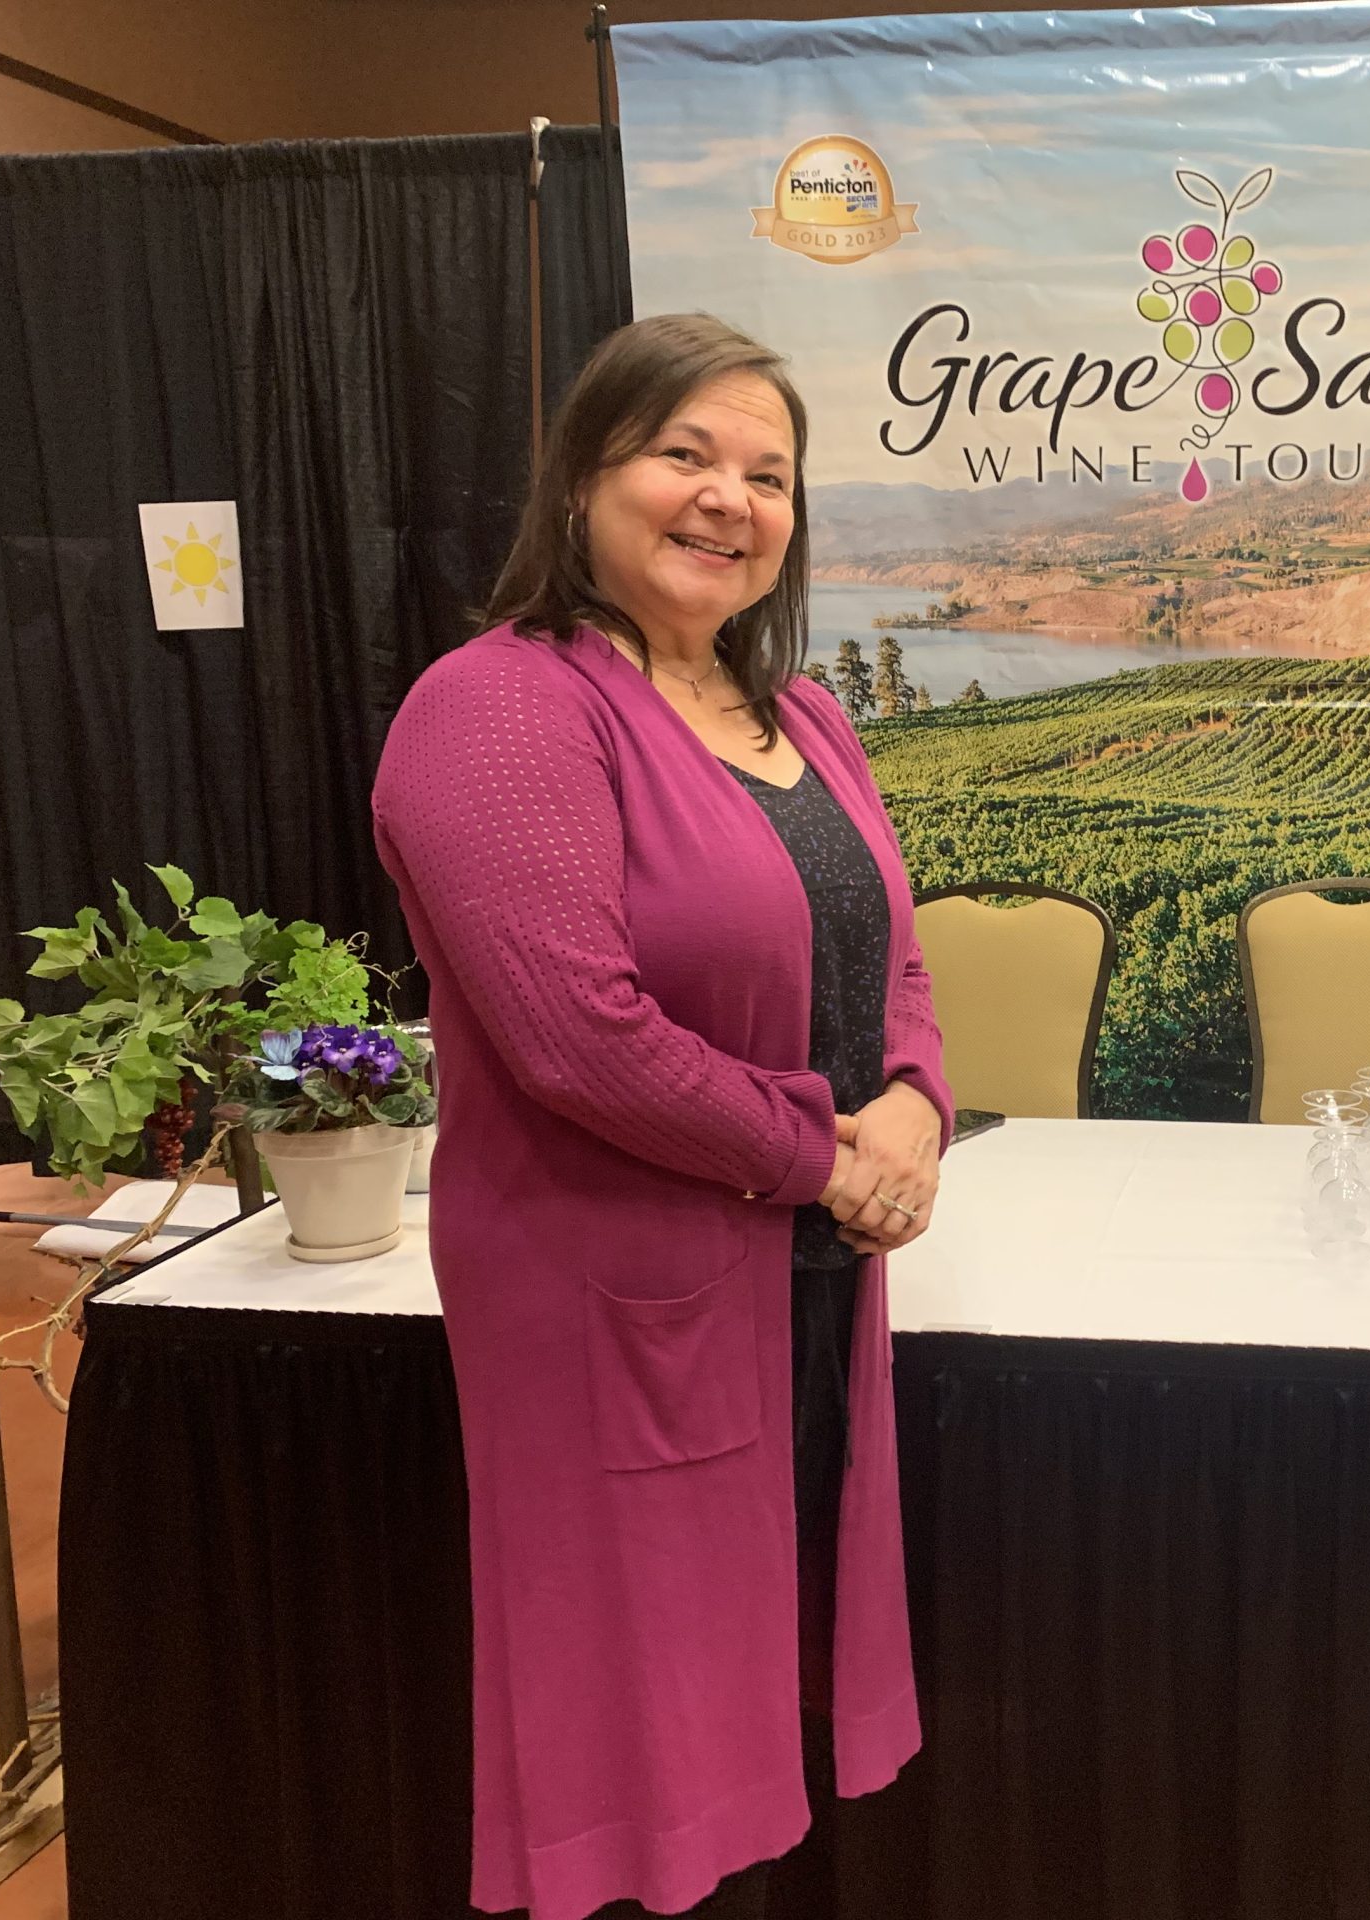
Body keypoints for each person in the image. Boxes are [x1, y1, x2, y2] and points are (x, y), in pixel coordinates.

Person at [371, 312, 950, 1920]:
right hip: (616, 1298)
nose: (728, 499)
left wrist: (917, 1104)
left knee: (768, 1688)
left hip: (806, 1280)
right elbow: (582, 1038)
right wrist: (828, 1159)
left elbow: (895, 954)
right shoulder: (499, 707)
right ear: (581, 479)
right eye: (683, 454)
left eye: (768, 474)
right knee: (647, 1734)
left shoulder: (803, 715)